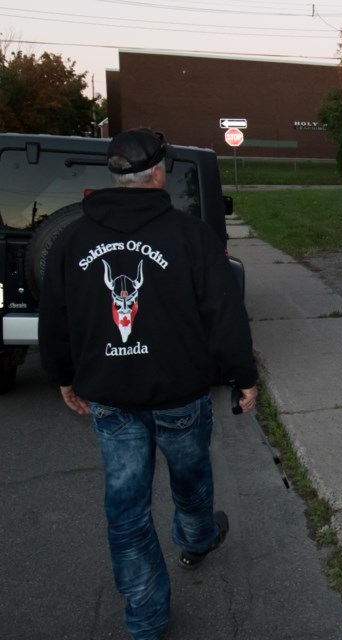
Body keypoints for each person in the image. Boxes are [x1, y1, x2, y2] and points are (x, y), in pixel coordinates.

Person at [38, 128, 258, 640]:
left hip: (110, 399)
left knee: (127, 510)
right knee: (191, 478)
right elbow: (224, 314)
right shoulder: (191, 234)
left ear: (114, 175)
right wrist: (242, 377)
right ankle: (197, 538)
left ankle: (145, 619)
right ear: (158, 173)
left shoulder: (72, 238)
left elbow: (57, 319)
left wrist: (64, 376)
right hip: (179, 394)